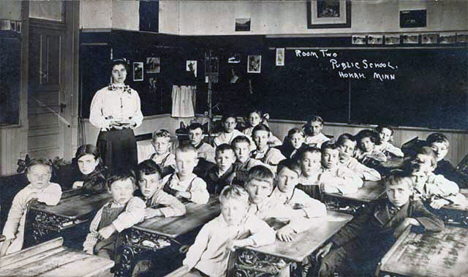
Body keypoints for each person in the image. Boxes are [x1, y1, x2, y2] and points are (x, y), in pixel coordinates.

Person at [317, 174, 444, 276]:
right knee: (326, 262)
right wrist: (332, 243)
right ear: (386, 191)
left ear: (410, 191)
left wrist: (410, 221)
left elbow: (438, 223)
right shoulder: (376, 204)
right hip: (363, 245)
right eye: (391, 191)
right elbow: (355, 226)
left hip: (386, 251)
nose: (395, 196)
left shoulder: (414, 206)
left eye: (401, 190)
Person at [182, 185, 275, 277]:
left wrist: (241, 242)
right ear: (221, 207)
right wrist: (186, 268)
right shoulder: (211, 226)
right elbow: (196, 249)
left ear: (245, 208)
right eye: (226, 208)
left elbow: (269, 235)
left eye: (235, 208)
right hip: (205, 269)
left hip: (230, 272)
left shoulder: (248, 220)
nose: (231, 213)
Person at [89, 59, 143, 173]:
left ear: (127, 72)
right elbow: (93, 117)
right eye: (116, 71)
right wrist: (109, 123)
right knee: (109, 171)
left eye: (122, 70)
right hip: (109, 136)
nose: (120, 74)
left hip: (127, 136)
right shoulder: (102, 93)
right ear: (111, 73)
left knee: (128, 171)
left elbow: (138, 115)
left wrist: (133, 122)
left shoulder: (133, 94)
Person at [0, 159, 62, 256]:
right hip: (25, 233)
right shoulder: (22, 194)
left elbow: (54, 199)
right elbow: (13, 218)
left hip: (47, 232)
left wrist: (35, 195)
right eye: (35, 175)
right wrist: (7, 238)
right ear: (29, 177)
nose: (39, 178)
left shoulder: (54, 187)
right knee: (11, 253)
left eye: (44, 175)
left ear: (49, 176)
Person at [83, 171, 145, 260]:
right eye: (117, 188)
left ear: (134, 188)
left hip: (125, 251)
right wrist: (88, 249)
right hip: (105, 250)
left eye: (127, 188)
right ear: (109, 190)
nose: (123, 193)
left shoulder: (135, 202)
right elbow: (93, 233)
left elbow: (134, 214)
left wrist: (111, 228)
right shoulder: (104, 208)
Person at [268, 160, 327, 242]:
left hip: (286, 235)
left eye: (292, 178)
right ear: (276, 176)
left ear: (297, 180)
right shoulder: (266, 191)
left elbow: (321, 208)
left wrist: (292, 223)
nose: (287, 182)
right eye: (284, 177)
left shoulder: (298, 194)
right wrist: (294, 215)